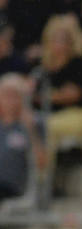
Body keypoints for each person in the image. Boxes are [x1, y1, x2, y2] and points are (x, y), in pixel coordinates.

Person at [31, 14, 82, 152]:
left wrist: (44, 97)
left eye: (63, 40)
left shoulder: (78, 63)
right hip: (46, 114)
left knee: (46, 127)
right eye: (55, 39)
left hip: (75, 113)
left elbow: (72, 95)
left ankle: (44, 172)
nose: (59, 44)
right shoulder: (42, 67)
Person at [0, 72, 44, 203]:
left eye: (15, 96)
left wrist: (31, 130)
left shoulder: (34, 123)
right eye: (6, 96)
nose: (10, 101)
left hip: (12, 186)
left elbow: (42, 164)